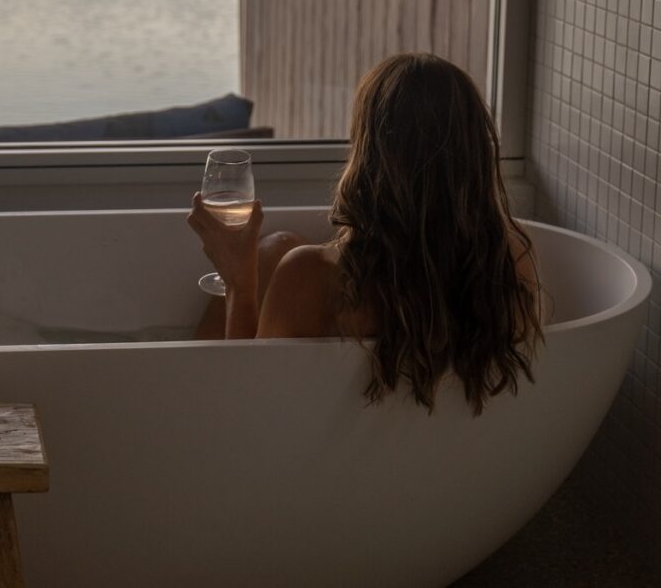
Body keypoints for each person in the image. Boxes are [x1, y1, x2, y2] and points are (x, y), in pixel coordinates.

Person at [188, 52, 543, 414]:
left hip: (317, 450)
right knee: (279, 244)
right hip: (451, 450)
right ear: (477, 155)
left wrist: (239, 283)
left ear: (368, 153)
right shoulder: (512, 264)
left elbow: (248, 404)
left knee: (273, 255)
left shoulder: (309, 277)